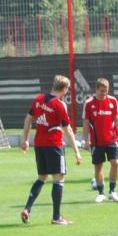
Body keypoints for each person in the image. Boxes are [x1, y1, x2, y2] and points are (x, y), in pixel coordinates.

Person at [20, 75, 82, 225]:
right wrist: (77, 152)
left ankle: (27, 208)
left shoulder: (38, 99)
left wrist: (26, 140)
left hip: (39, 144)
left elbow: (28, 119)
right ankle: (56, 217)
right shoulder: (59, 105)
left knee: (42, 177)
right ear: (65, 89)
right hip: (54, 145)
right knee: (59, 179)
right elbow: (68, 129)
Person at [82, 78, 118, 203]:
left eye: (106, 91)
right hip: (96, 142)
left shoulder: (113, 101)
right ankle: (101, 193)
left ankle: (112, 191)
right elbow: (86, 122)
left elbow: (117, 119)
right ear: (96, 89)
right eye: (101, 91)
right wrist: (86, 139)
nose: (104, 93)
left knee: (115, 163)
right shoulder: (89, 103)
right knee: (98, 167)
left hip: (111, 139)